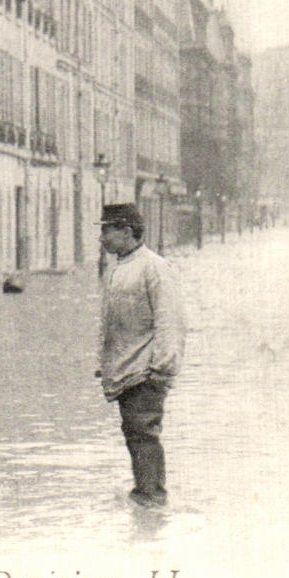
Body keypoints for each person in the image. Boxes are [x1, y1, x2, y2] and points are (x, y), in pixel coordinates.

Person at [94, 202, 185, 508]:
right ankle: (146, 497)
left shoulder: (155, 267)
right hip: (124, 369)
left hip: (146, 370)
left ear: (127, 231)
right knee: (134, 432)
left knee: (143, 433)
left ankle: (151, 499)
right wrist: (104, 362)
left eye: (107, 230)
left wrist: (162, 368)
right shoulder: (116, 269)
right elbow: (109, 321)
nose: (102, 238)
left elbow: (169, 320)